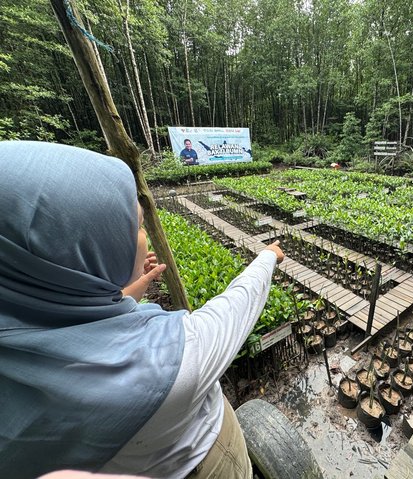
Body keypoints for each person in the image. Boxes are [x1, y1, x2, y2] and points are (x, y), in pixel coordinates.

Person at [0, 141, 284, 479]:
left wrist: (129, 292)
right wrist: (268, 257)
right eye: (134, 225)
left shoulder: (21, 318)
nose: (144, 234)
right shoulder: (165, 369)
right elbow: (233, 309)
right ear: (81, 251)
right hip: (205, 464)